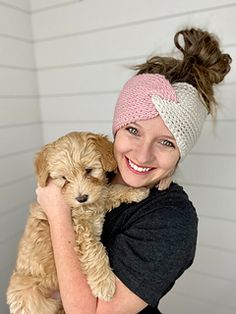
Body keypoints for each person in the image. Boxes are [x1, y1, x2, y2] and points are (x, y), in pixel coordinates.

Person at [36, 27, 231, 314]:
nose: (142, 154)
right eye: (132, 130)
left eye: (166, 142)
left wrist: (57, 213)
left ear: (181, 153)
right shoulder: (90, 169)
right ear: (116, 127)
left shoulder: (171, 220)